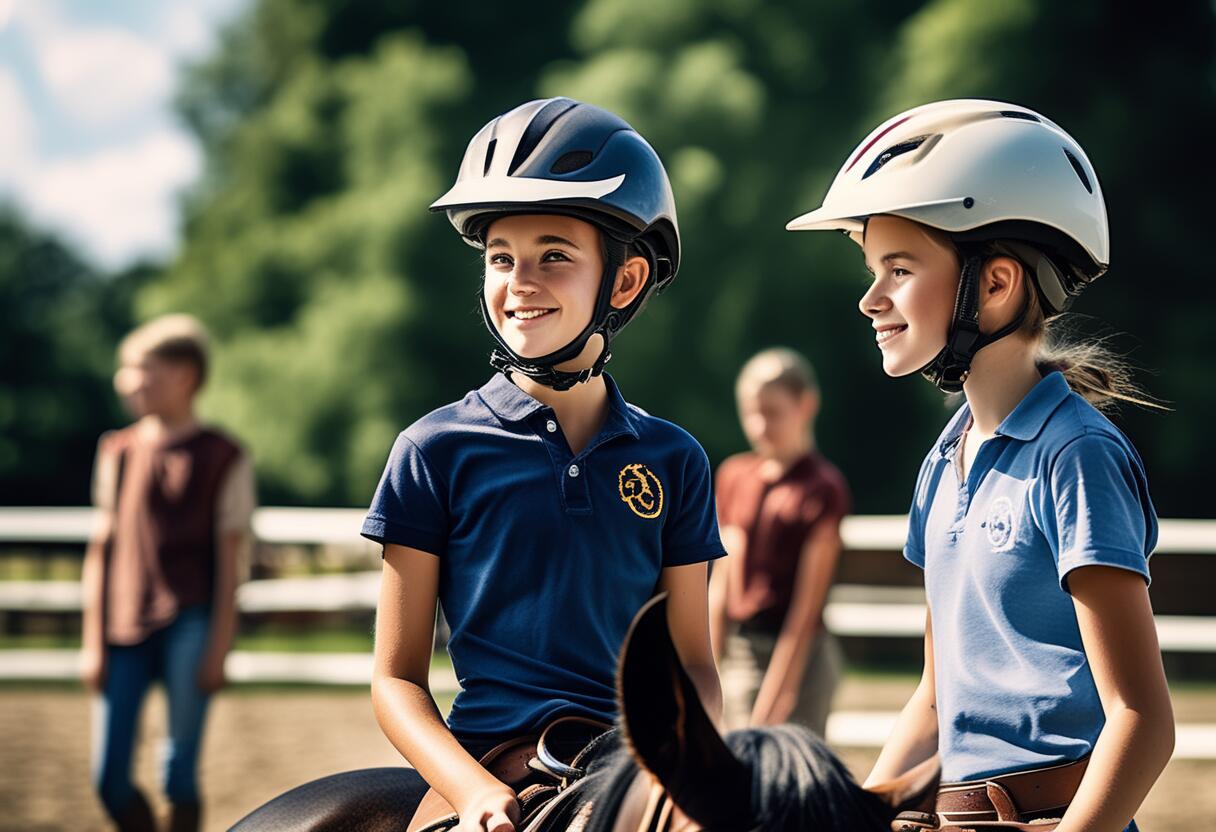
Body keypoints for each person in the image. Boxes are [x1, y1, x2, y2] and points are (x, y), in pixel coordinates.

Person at [786, 99, 1174, 832]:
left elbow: (1141, 720)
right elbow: (936, 698)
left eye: (898, 269)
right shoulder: (943, 459)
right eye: (872, 271)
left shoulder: (1077, 455)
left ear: (995, 284)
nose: (870, 299)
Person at [362, 98, 725, 832]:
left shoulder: (676, 460)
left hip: (636, 768)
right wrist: (469, 791)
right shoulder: (432, 451)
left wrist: (683, 767)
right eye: (501, 258)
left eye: (553, 255)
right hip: (486, 766)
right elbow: (395, 678)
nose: (520, 281)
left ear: (624, 282)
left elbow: (693, 664)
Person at [81, 314, 256, 832]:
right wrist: (92, 641)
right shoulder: (116, 451)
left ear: (184, 376)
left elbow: (230, 561)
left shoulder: (224, 457)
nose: (125, 381)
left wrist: (218, 646)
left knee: (178, 775)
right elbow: (101, 551)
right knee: (108, 779)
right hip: (122, 625)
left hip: (191, 623)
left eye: (140, 368)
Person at [710, 348, 849, 738]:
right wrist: (708, 671)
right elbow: (721, 582)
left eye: (772, 412)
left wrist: (775, 700)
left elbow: (805, 612)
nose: (759, 426)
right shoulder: (733, 476)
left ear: (806, 405)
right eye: (750, 412)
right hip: (742, 653)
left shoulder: (823, 488)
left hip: (800, 660)